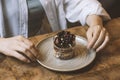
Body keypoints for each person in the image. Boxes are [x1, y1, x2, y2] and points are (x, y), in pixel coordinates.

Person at [0, 0, 110, 63]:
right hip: (8, 58)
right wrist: (2, 43)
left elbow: (81, 2)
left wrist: (96, 24)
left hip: (46, 50)